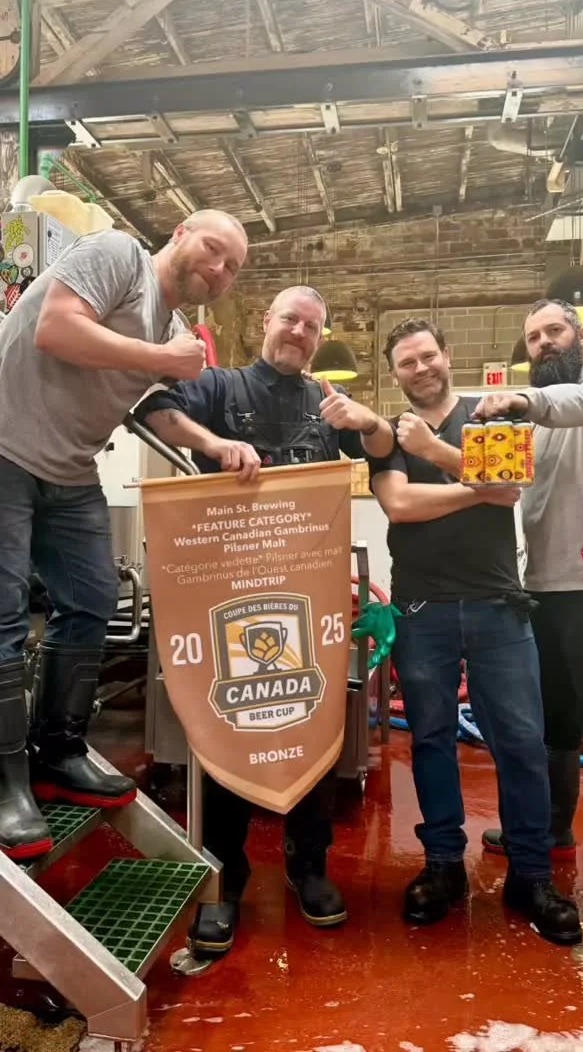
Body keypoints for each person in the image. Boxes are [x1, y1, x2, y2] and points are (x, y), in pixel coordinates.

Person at [134, 284, 393, 955]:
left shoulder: (326, 404)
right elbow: (152, 407)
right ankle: (225, 880)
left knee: (313, 725)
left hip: (306, 604)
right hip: (227, 603)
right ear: (267, 323)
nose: (299, 333)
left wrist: (365, 418)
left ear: (320, 338)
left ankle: (310, 867)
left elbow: (383, 449)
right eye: (291, 320)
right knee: (225, 732)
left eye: (312, 326)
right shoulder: (219, 387)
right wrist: (215, 443)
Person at [0, 209, 249, 862]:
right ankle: (5, 782)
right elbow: (56, 327)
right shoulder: (118, 256)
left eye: (232, 268)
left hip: (68, 471)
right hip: (5, 450)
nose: (219, 269)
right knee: (3, 618)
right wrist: (163, 358)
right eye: (214, 248)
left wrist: (213, 444)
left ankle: (58, 751)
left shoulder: (172, 331)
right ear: (180, 233)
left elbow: (153, 409)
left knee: (92, 600)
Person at [353, 317, 581, 946]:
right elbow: (400, 506)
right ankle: (443, 867)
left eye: (428, 356)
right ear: (394, 374)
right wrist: (477, 487)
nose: (421, 368)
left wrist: (436, 454)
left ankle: (531, 876)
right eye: (407, 363)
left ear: (447, 355)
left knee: (522, 743)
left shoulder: (490, 413)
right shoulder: (387, 434)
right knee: (429, 740)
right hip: (421, 610)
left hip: (496, 606)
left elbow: (512, 488)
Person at [476, 297, 583, 962]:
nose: (543, 342)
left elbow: (573, 402)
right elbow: (497, 487)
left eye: (554, 331)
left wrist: (518, 401)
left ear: (579, 336)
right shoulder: (535, 423)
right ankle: (552, 834)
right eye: (533, 337)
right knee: (555, 728)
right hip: (541, 593)